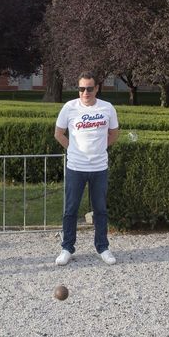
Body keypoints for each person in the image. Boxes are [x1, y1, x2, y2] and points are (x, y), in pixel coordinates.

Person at [54, 72, 120, 267]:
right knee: (70, 209)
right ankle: (67, 247)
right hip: (76, 167)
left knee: (100, 209)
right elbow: (59, 133)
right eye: (81, 88)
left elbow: (114, 134)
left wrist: (100, 148)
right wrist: (73, 149)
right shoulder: (69, 107)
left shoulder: (107, 108)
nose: (85, 92)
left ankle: (102, 247)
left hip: (99, 167)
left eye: (89, 88)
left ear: (96, 88)